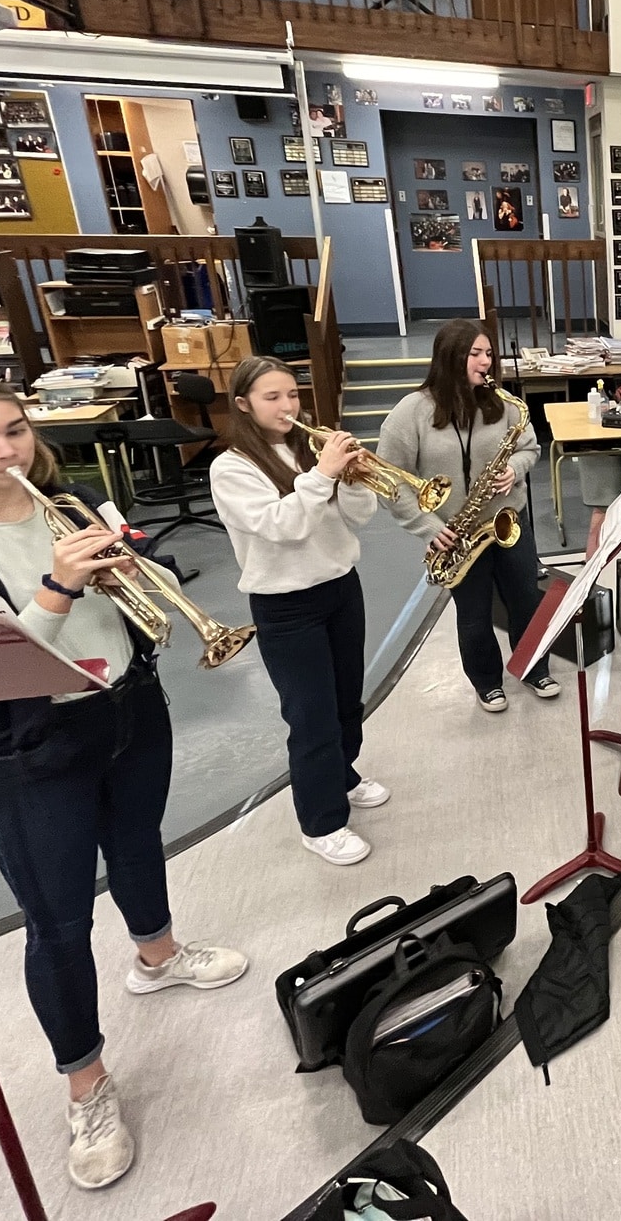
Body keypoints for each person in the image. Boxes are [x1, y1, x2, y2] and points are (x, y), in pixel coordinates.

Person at [0, 371, 247, 1192]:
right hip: (29, 751)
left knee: (141, 844)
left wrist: (137, 578)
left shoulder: (69, 501)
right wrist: (58, 585)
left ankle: (156, 955)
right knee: (59, 920)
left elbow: (148, 597)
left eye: (13, 429)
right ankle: (87, 1082)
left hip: (128, 709)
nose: (6, 450)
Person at [212, 355, 390, 864]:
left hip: (340, 587)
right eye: (273, 397)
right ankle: (321, 822)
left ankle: (342, 773)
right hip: (285, 605)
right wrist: (323, 474)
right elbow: (280, 526)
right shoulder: (231, 467)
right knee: (310, 717)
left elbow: (356, 519)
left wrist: (353, 481)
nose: (288, 406)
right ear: (244, 405)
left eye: (292, 394)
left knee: (346, 701)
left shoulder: (307, 450)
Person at [376, 320, 558, 712]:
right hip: (456, 534)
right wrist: (427, 526)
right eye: (475, 354)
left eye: (488, 353)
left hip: (509, 521)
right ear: (450, 358)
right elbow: (389, 480)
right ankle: (487, 681)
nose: (485, 361)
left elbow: (530, 448)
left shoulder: (504, 403)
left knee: (526, 600)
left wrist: (517, 468)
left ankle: (534, 666)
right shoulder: (411, 412)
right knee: (473, 615)